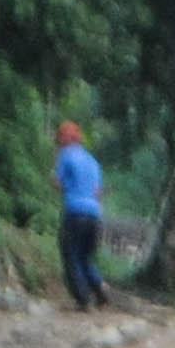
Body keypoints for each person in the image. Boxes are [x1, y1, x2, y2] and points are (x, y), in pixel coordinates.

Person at [54, 121, 108, 311]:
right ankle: (99, 286)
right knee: (85, 257)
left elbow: (57, 182)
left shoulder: (65, 155)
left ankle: (83, 300)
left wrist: (63, 186)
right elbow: (99, 193)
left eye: (59, 139)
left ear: (64, 139)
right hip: (94, 216)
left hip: (75, 212)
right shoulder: (93, 161)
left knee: (71, 255)